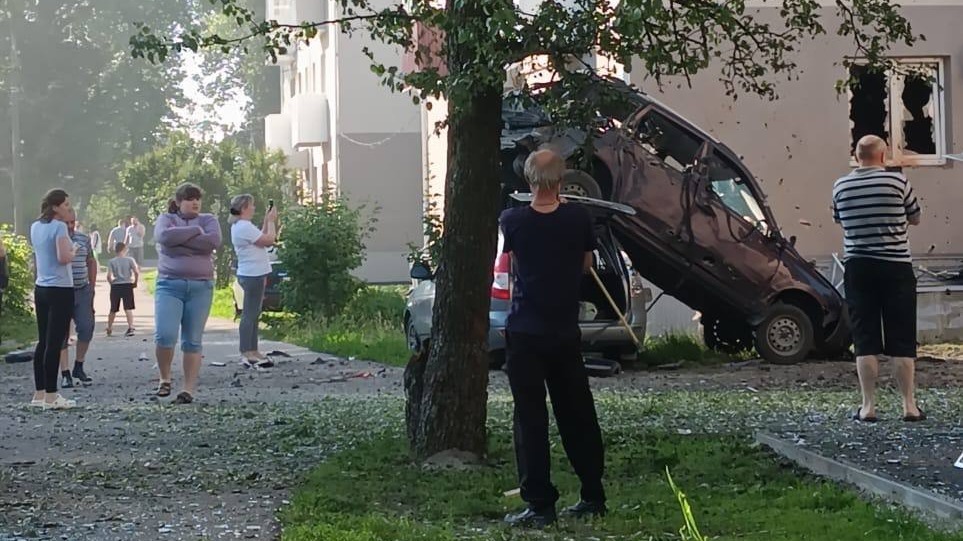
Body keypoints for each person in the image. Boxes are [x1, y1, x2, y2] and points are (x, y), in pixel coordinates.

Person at [499, 150, 606, 528]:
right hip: (564, 331)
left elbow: (508, 268)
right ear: (562, 180)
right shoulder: (578, 218)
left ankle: (540, 503)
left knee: (530, 418)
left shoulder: (512, 220)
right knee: (577, 412)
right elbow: (587, 264)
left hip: (525, 331)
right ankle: (592, 493)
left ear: (528, 181)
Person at [832, 134, 924, 423]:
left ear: (856, 156)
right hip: (896, 267)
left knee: (865, 337)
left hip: (858, 267)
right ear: (883, 157)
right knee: (902, 336)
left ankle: (868, 406)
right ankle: (909, 405)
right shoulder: (897, 182)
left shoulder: (840, 186)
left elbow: (839, 219)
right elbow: (916, 217)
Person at [153, 182, 221, 404]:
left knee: (192, 340)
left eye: (198, 199)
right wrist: (194, 233)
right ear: (178, 202)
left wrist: (179, 242)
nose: (195, 203)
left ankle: (188, 390)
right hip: (170, 285)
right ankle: (165, 378)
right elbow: (164, 238)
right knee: (165, 335)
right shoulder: (166, 219)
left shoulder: (209, 220)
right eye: (190, 199)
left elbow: (213, 241)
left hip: (201, 286)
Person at [29, 189, 78, 410]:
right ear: (56, 207)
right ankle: (51, 395)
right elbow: (63, 257)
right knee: (55, 341)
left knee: (42, 340)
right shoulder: (59, 227)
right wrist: (74, 250)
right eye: (66, 205)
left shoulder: (36, 226)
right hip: (61, 288)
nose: (68, 208)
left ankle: (39, 392)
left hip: (42, 287)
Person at [228, 194, 278, 369]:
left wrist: (266, 221)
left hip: (253, 273)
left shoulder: (242, 226)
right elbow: (269, 240)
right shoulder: (243, 227)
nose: (254, 208)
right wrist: (272, 222)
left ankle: (253, 349)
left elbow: (260, 237)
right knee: (249, 314)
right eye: (252, 205)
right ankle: (246, 350)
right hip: (252, 275)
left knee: (254, 313)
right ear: (243, 208)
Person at [58, 218, 97, 388]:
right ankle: (65, 373)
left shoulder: (83, 238)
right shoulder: (56, 238)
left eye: (72, 222)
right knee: (61, 333)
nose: (69, 226)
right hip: (61, 290)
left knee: (87, 327)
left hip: (82, 289)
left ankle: (78, 365)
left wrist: (92, 286)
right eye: (66, 223)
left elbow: (91, 261)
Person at [106, 242, 139, 338]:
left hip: (116, 285)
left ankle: (109, 327)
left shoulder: (112, 261)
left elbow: (108, 276)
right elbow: (136, 272)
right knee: (128, 308)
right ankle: (131, 327)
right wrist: (135, 282)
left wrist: (111, 283)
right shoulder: (130, 260)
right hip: (127, 284)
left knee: (113, 308)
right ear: (124, 249)